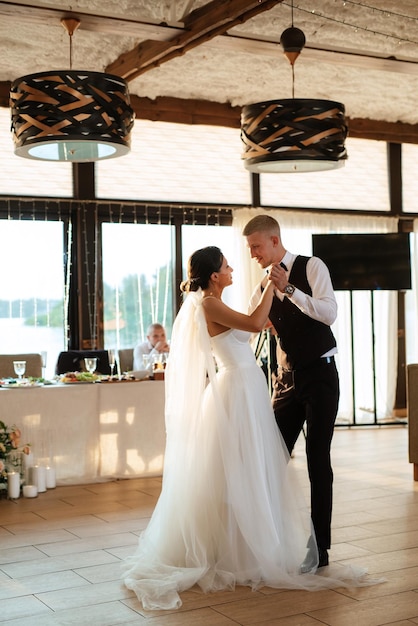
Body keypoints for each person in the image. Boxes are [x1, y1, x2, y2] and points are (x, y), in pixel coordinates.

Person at [122, 246, 377, 611]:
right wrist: (275, 287)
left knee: (249, 470)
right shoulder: (208, 304)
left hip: (247, 388)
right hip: (235, 391)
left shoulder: (216, 304)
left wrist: (266, 299)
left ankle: (249, 542)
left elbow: (245, 330)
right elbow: (256, 323)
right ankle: (232, 550)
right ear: (213, 276)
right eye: (227, 267)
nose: (232, 270)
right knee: (236, 471)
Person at [242, 214, 339, 572]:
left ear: (274, 240)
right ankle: (266, 540)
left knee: (317, 462)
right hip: (285, 381)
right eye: (249, 248)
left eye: (255, 246)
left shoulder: (312, 266)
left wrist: (291, 291)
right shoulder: (261, 285)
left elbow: (329, 313)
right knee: (270, 460)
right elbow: (250, 325)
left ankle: (320, 550)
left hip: (320, 376)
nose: (252, 254)